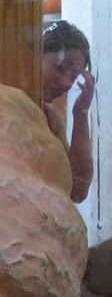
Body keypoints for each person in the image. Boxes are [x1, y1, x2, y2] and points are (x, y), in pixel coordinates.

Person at [42, 20, 94, 204]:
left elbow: (77, 191)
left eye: (73, 76)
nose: (66, 83)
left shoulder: (50, 118)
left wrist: (81, 114)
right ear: (34, 58)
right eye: (60, 68)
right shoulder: (6, 104)